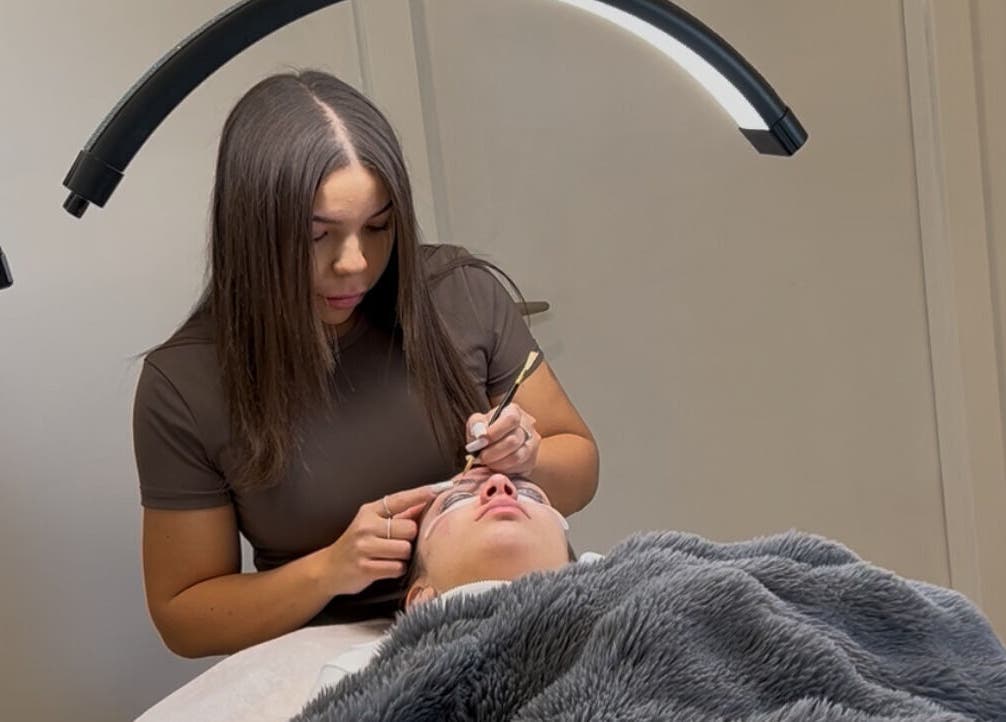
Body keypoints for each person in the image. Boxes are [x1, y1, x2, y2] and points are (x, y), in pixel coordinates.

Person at [132, 69, 599, 658]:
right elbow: (185, 616)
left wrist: (529, 460)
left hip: (523, 620)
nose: (354, 263)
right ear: (253, 232)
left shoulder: (459, 295)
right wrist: (329, 570)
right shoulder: (185, 385)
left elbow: (580, 467)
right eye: (316, 235)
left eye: (378, 227)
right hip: (328, 657)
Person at [309, 467, 596, 694]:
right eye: (457, 499)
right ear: (422, 600)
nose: (500, 485)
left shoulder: (621, 604)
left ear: (579, 570)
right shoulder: (362, 672)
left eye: (532, 496)